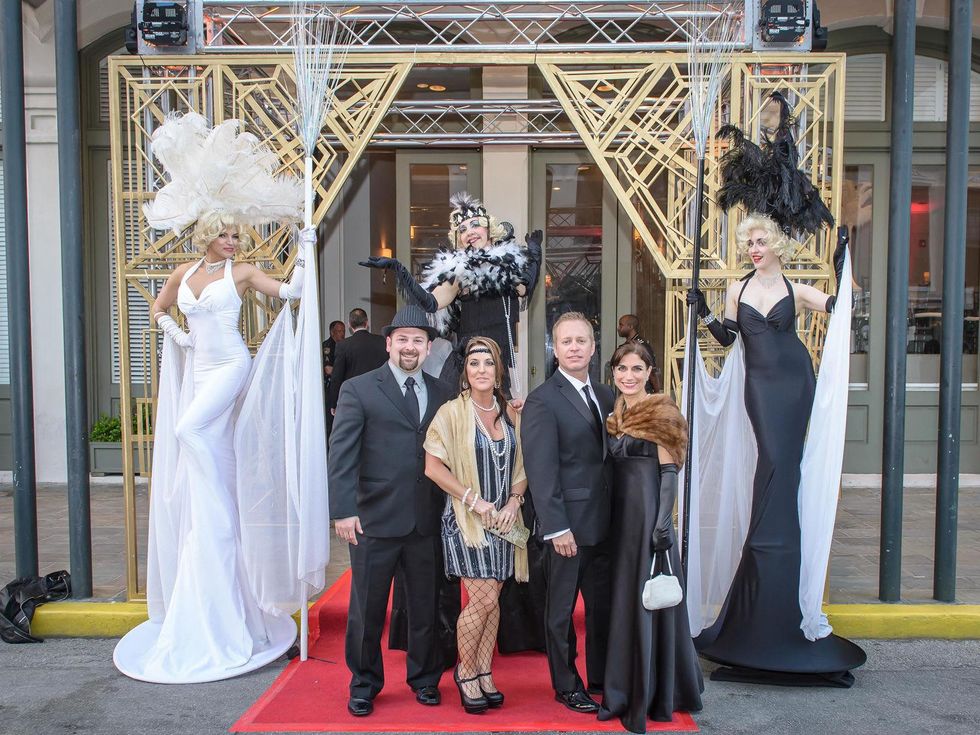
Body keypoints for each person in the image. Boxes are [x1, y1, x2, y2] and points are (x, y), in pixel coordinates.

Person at [112, 112, 328, 684]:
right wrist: (176, 334)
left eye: (236, 231)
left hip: (232, 364)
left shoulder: (244, 273)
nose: (232, 238)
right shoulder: (183, 273)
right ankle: (216, 511)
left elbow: (293, 293)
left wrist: (305, 246)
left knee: (187, 431)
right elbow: (159, 309)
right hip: (197, 364)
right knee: (197, 439)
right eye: (224, 230)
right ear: (206, 230)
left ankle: (218, 505)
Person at [686, 214, 866, 685]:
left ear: (777, 246)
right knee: (773, 460)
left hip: (794, 379)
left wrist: (844, 266)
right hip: (760, 386)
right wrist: (702, 310)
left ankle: (778, 561)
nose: (754, 248)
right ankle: (766, 563)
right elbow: (727, 337)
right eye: (749, 243)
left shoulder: (796, 289)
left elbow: (844, 305)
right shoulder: (739, 290)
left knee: (786, 465)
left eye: (761, 241)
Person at [328, 304, 456, 717]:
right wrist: (343, 510)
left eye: (418, 340)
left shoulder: (443, 393)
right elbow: (341, 454)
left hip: (425, 519)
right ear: (388, 343)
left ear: (428, 347)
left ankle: (424, 679)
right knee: (366, 610)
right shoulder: (359, 389)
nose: (409, 347)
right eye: (402, 339)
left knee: (424, 605)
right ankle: (364, 683)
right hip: (373, 520)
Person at [596, 343, 703, 733]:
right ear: (613, 373)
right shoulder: (615, 415)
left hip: (648, 522)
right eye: (622, 369)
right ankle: (624, 687)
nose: (629, 376)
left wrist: (662, 524)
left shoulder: (661, 412)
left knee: (650, 604)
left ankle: (652, 693)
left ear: (650, 371)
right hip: (621, 522)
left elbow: (669, 473)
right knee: (627, 602)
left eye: (637, 369)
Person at [423, 337, 530, 714]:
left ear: (498, 370)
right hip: (467, 520)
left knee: (492, 600)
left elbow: (524, 465)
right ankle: (465, 671)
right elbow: (433, 468)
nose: (481, 369)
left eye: (488, 363)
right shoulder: (450, 413)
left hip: (504, 521)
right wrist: (474, 500)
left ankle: (485, 670)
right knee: (482, 598)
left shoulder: (511, 413)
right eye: (474, 363)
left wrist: (515, 502)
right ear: (465, 372)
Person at [521, 311, 614, 714]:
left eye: (582, 340)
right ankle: (566, 683)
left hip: (607, 526)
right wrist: (556, 528)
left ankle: (601, 677)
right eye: (566, 342)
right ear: (554, 349)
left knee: (602, 609)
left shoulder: (610, 395)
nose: (574, 347)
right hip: (567, 530)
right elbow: (542, 473)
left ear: (594, 347)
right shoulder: (542, 400)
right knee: (560, 612)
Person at [361, 191, 542, 397]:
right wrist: (399, 269)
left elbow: (525, 287)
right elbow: (430, 302)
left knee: (497, 421)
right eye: (462, 229)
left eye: (475, 224)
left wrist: (535, 254)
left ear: (489, 229)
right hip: (466, 365)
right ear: (459, 239)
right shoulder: (459, 274)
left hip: (495, 364)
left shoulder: (508, 268)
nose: (469, 232)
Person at [328, 308, 388, 416]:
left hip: (353, 399)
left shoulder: (343, 345)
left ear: (349, 324)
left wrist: (334, 403)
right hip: (379, 398)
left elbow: (337, 377)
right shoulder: (382, 341)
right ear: (367, 323)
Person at [616, 314, 660, 393]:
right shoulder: (626, 345)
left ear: (630, 326)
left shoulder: (642, 346)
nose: (618, 328)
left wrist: (657, 395)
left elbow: (652, 372)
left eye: (621, 325)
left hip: (642, 392)